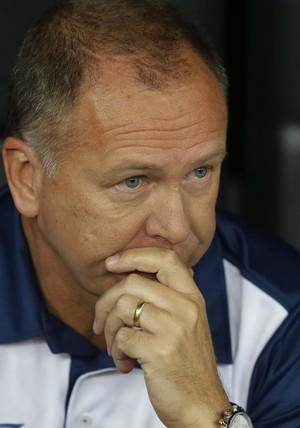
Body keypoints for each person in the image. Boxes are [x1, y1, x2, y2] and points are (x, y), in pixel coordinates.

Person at [1, 0, 300, 426]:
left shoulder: (283, 318)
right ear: (27, 178)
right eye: (133, 181)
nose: (177, 228)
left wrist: (208, 414)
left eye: (200, 172)